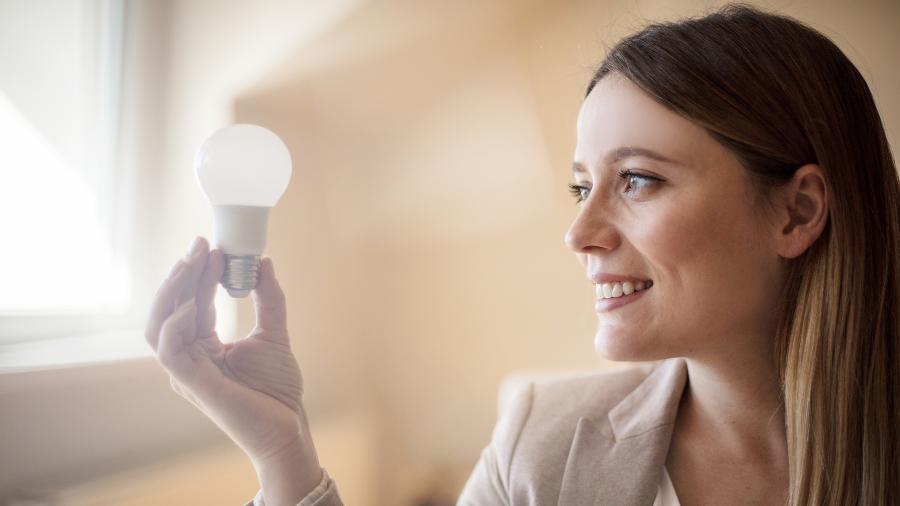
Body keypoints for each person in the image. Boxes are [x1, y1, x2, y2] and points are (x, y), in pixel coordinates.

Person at [145, 4, 899, 505]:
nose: (580, 233)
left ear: (797, 211)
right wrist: (284, 452)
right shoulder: (542, 444)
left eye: (637, 179)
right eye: (582, 188)